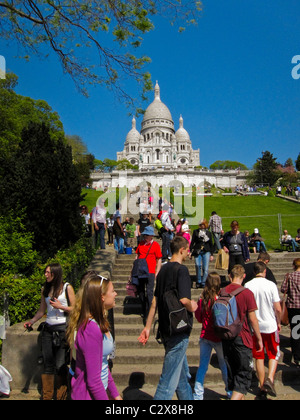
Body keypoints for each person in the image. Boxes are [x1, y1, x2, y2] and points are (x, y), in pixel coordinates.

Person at [138, 236, 198, 400]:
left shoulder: (162, 270)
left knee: (181, 380)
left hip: (165, 329)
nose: (188, 253)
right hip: (179, 329)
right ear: (181, 250)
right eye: (187, 250)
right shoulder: (182, 270)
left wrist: (147, 327)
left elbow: (154, 302)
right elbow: (185, 300)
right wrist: (194, 306)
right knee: (167, 383)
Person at [24, 263, 75, 400]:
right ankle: (47, 396)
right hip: (48, 329)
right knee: (48, 363)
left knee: (60, 364)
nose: (45, 275)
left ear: (55, 273)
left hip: (63, 329)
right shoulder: (45, 289)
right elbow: (42, 311)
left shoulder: (67, 287)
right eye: (45, 272)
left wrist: (61, 306)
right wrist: (32, 321)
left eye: (48, 272)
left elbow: (76, 308)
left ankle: (61, 395)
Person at [69, 274, 122, 400]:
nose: (115, 294)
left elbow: (103, 364)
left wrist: (115, 394)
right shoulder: (91, 329)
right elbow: (93, 381)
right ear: (102, 297)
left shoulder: (99, 322)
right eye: (113, 291)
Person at [221, 265, 263, 400]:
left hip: (226, 336)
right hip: (242, 336)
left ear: (230, 276)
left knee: (233, 374)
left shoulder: (223, 291)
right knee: (244, 375)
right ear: (244, 276)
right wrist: (259, 338)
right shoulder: (246, 293)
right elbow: (253, 319)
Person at [245, 262, 281, 398]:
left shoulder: (248, 285)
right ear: (264, 271)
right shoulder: (271, 285)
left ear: (254, 272)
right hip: (270, 324)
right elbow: (277, 308)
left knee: (259, 356)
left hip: (255, 326)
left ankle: (262, 386)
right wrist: (278, 321)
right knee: (273, 354)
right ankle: (270, 379)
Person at [194, 273, 230, 400]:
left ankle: (198, 395)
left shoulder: (202, 298)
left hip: (205, 336)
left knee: (202, 366)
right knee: (224, 365)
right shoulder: (220, 298)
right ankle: (229, 391)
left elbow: (198, 318)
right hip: (219, 337)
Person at [135, 225, 162, 320]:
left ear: (151, 236)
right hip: (140, 271)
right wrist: (133, 270)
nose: (145, 237)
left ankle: (150, 312)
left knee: (150, 292)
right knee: (141, 292)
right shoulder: (141, 244)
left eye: (147, 235)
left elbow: (159, 259)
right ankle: (144, 309)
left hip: (150, 271)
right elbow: (137, 257)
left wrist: (157, 271)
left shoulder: (155, 245)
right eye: (145, 235)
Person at [281, 258, 300, 367]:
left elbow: (283, 289)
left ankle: (297, 356)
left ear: (293, 265)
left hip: (293, 307)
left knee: (295, 332)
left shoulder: (290, 276)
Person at [190, 219, 214, 289]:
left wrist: (211, 254)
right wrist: (190, 251)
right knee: (198, 265)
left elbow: (210, 244)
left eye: (203, 224)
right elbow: (192, 242)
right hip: (197, 250)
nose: (202, 226)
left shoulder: (208, 233)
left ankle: (203, 282)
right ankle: (198, 281)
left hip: (206, 251)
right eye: (201, 225)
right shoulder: (196, 232)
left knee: (205, 268)